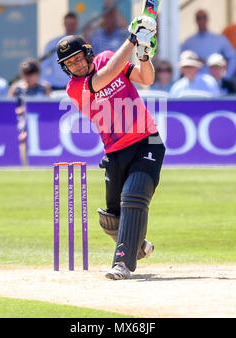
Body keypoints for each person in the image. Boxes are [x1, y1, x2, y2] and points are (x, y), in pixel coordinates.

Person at [56, 16, 165, 280]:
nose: (77, 65)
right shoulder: (76, 88)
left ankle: (122, 264)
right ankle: (137, 246)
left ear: (88, 53)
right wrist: (132, 38)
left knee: (134, 196)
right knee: (111, 218)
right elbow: (104, 78)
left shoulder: (107, 57)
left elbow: (145, 79)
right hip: (115, 151)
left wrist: (144, 54)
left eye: (79, 58)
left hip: (147, 140)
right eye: (70, 63)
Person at [181, 10, 236, 81]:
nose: (201, 20)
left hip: (216, 83)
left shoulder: (220, 39)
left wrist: (226, 77)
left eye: (203, 17)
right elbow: (181, 62)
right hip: (194, 83)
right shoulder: (188, 43)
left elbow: (232, 57)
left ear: (207, 19)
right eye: (199, 18)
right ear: (195, 20)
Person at [40, 12, 79, 90]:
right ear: (64, 24)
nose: (71, 27)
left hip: (76, 86)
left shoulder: (81, 42)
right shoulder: (53, 44)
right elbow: (43, 66)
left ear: (77, 25)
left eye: (73, 24)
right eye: (69, 24)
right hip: (56, 87)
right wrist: (47, 84)